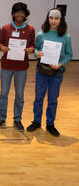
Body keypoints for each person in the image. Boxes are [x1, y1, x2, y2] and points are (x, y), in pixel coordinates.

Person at [26, 8, 73, 137]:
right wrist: (37, 53)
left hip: (57, 73)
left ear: (61, 20)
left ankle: (50, 124)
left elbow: (69, 54)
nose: (53, 21)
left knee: (53, 99)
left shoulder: (66, 37)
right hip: (42, 71)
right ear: (48, 19)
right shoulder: (41, 35)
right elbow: (35, 49)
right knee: (39, 98)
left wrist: (61, 64)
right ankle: (36, 121)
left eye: (56, 18)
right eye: (51, 18)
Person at [0, 3, 35, 131]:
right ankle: (1, 118)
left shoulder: (30, 29)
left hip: (21, 68)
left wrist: (30, 49)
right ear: (13, 14)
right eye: (17, 11)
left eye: (22, 12)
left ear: (25, 14)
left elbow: (33, 45)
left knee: (20, 95)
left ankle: (17, 119)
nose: (19, 14)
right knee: (3, 94)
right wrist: (1, 48)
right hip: (6, 66)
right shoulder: (6, 28)